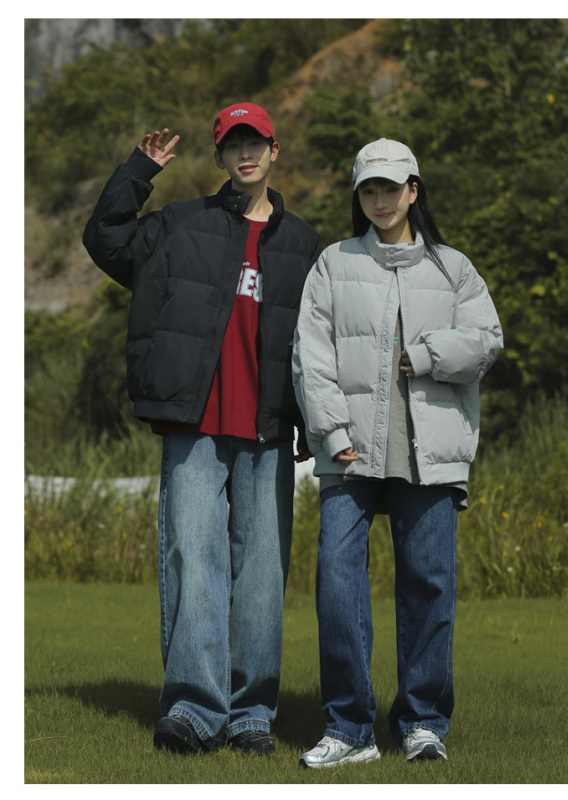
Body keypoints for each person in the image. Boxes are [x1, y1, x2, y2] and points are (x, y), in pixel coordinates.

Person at [83, 103, 322, 755]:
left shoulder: (305, 246)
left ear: (274, 151)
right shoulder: (180, 224)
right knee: (194, 557)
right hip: (194, 421)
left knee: (262, 574)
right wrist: (138, 172)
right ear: (219, 157)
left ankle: (250, 715)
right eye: (232, 145)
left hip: (268, 429)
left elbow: (325, 339)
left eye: (256, 143)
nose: (245, 154)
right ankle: (193, 707)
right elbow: (107, 240)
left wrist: (320, 422)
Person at [292, 138, 503, 768]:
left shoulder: (453, 268)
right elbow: (310, 355)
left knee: (429, 586)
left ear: (414, 191)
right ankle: (349, 729)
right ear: (358, 196)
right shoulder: (333, 263)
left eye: (391, 187)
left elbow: (487, 341)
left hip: (430, 452)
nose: (380, 200)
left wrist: (430, 354)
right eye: (369, 189)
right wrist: (332, 434)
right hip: (349, 451)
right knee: (337, 584)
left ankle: (422, 724)